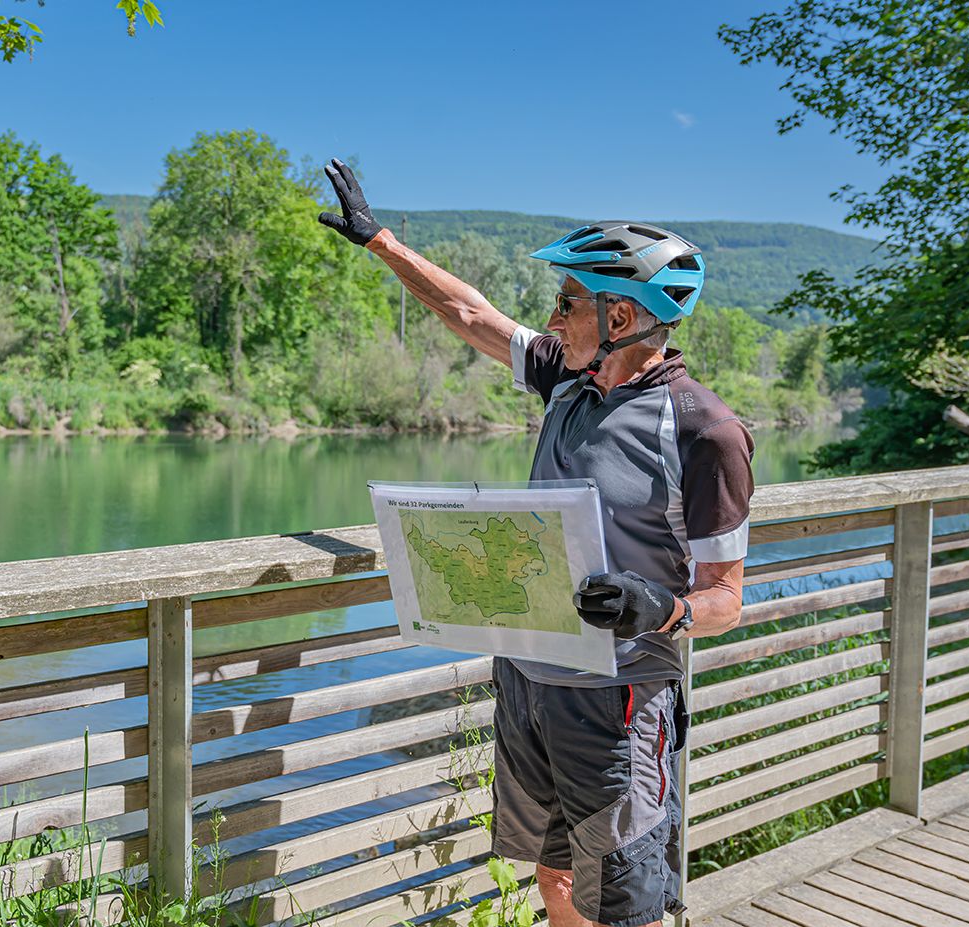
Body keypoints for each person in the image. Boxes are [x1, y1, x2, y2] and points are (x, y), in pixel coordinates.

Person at [318, 159, 754, 927]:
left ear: (619, 317)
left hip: (619, 698)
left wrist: (660, 606)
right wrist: (380, 242)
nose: (552, 321)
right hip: (528, 678)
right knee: (554, 879)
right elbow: (469, 312)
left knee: (624, 904)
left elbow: (725, 601)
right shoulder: (566, 378)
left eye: (567, 303)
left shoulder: (703, 430)